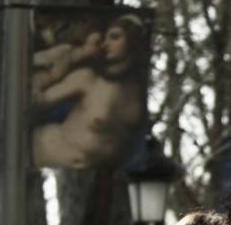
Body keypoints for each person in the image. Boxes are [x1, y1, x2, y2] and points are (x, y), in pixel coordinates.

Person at [30, 14, 148, 169]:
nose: (106, 44)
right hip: (42, 151)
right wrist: (57, 70)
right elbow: (36, 103)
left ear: (133, 41)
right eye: (105, 38)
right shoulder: (87, 78)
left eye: (114, 37)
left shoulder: (138, 94)